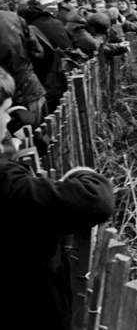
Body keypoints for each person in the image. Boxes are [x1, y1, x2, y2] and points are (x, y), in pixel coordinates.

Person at [0, 67, 115, 330]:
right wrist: (85, 175)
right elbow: (96, 200)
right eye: (5, 112)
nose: (8, 121)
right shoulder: (6, 183)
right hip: (26, 306)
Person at [0, 10, 47, 127]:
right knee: (41, 136)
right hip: (28, 88)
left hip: (10, 96)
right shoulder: (12, 18)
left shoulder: (12, 18)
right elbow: (38, 53)